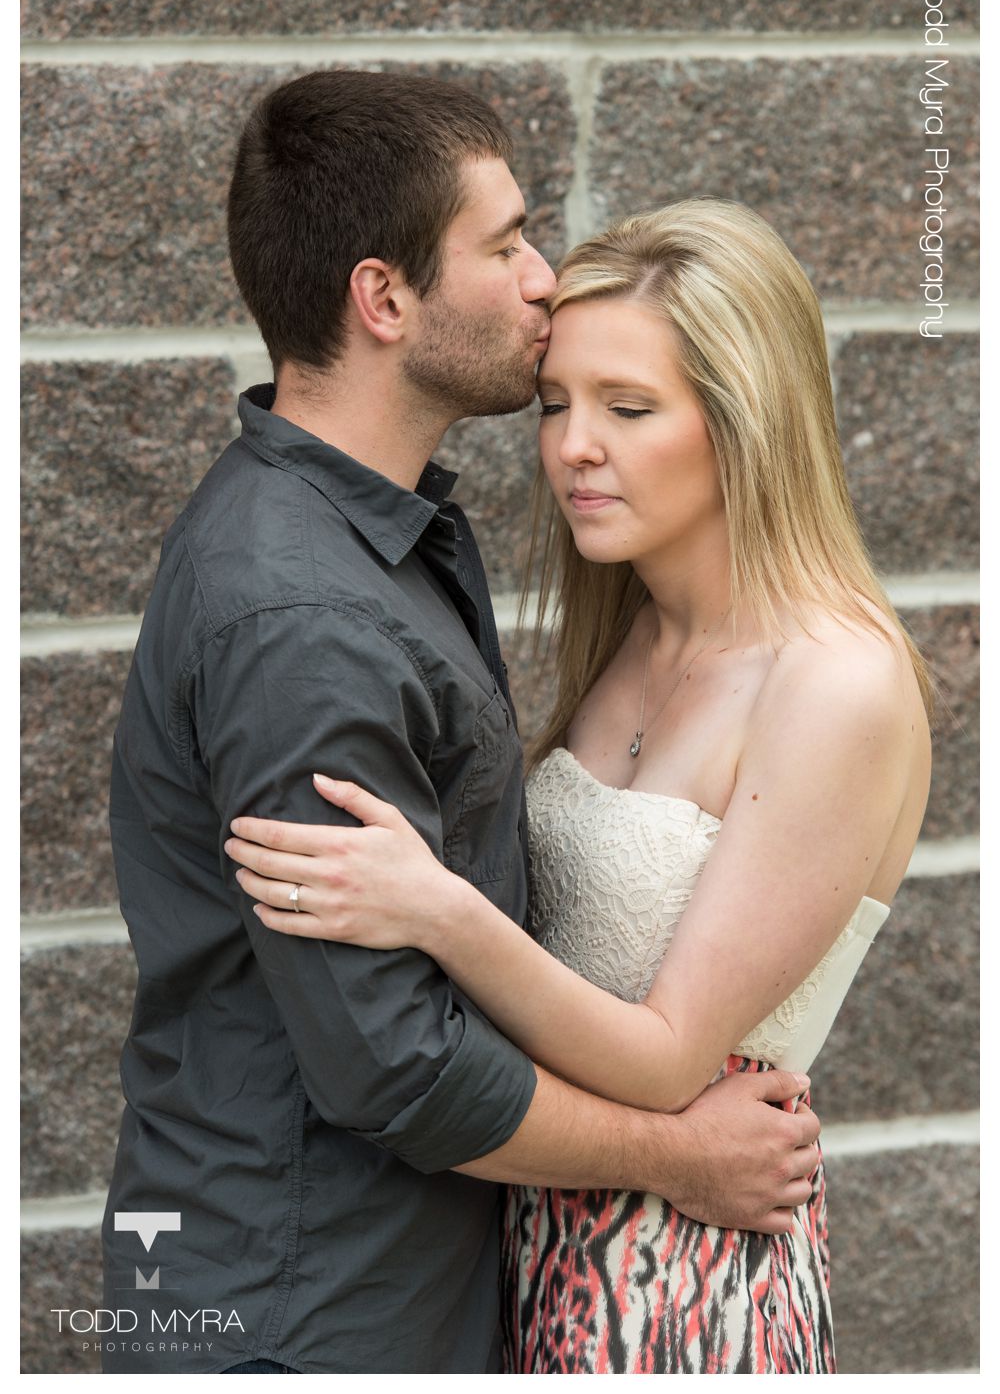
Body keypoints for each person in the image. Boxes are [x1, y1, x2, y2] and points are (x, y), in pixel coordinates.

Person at [101, 74, 820, 1376]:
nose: (545, 276)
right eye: (506, 244)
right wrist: (678, 1153)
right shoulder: (303, 617)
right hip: (310, 1311)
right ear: (384, 300)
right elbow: (399, 1070)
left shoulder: (374, 535)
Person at [226, 199, 933, 1374]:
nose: (571, 447)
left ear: (744, 423)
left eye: (629, 408)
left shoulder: (835, 685)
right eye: (558, 403)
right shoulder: (634, 637)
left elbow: (666, 1056)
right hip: (535, 1234)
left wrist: (431, 905)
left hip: (682, 1279)